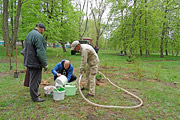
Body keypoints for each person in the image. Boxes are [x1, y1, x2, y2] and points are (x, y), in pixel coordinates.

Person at [24, 23, 48, 102]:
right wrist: (45, 64)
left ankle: (35, 94)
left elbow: (25, 49)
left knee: (32, 79)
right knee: (35, 80)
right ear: (42, 29)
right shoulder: (38, 36)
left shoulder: (29, 34)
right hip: (35, 62)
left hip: (29, 60)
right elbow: (41, 51)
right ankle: (35, 97)